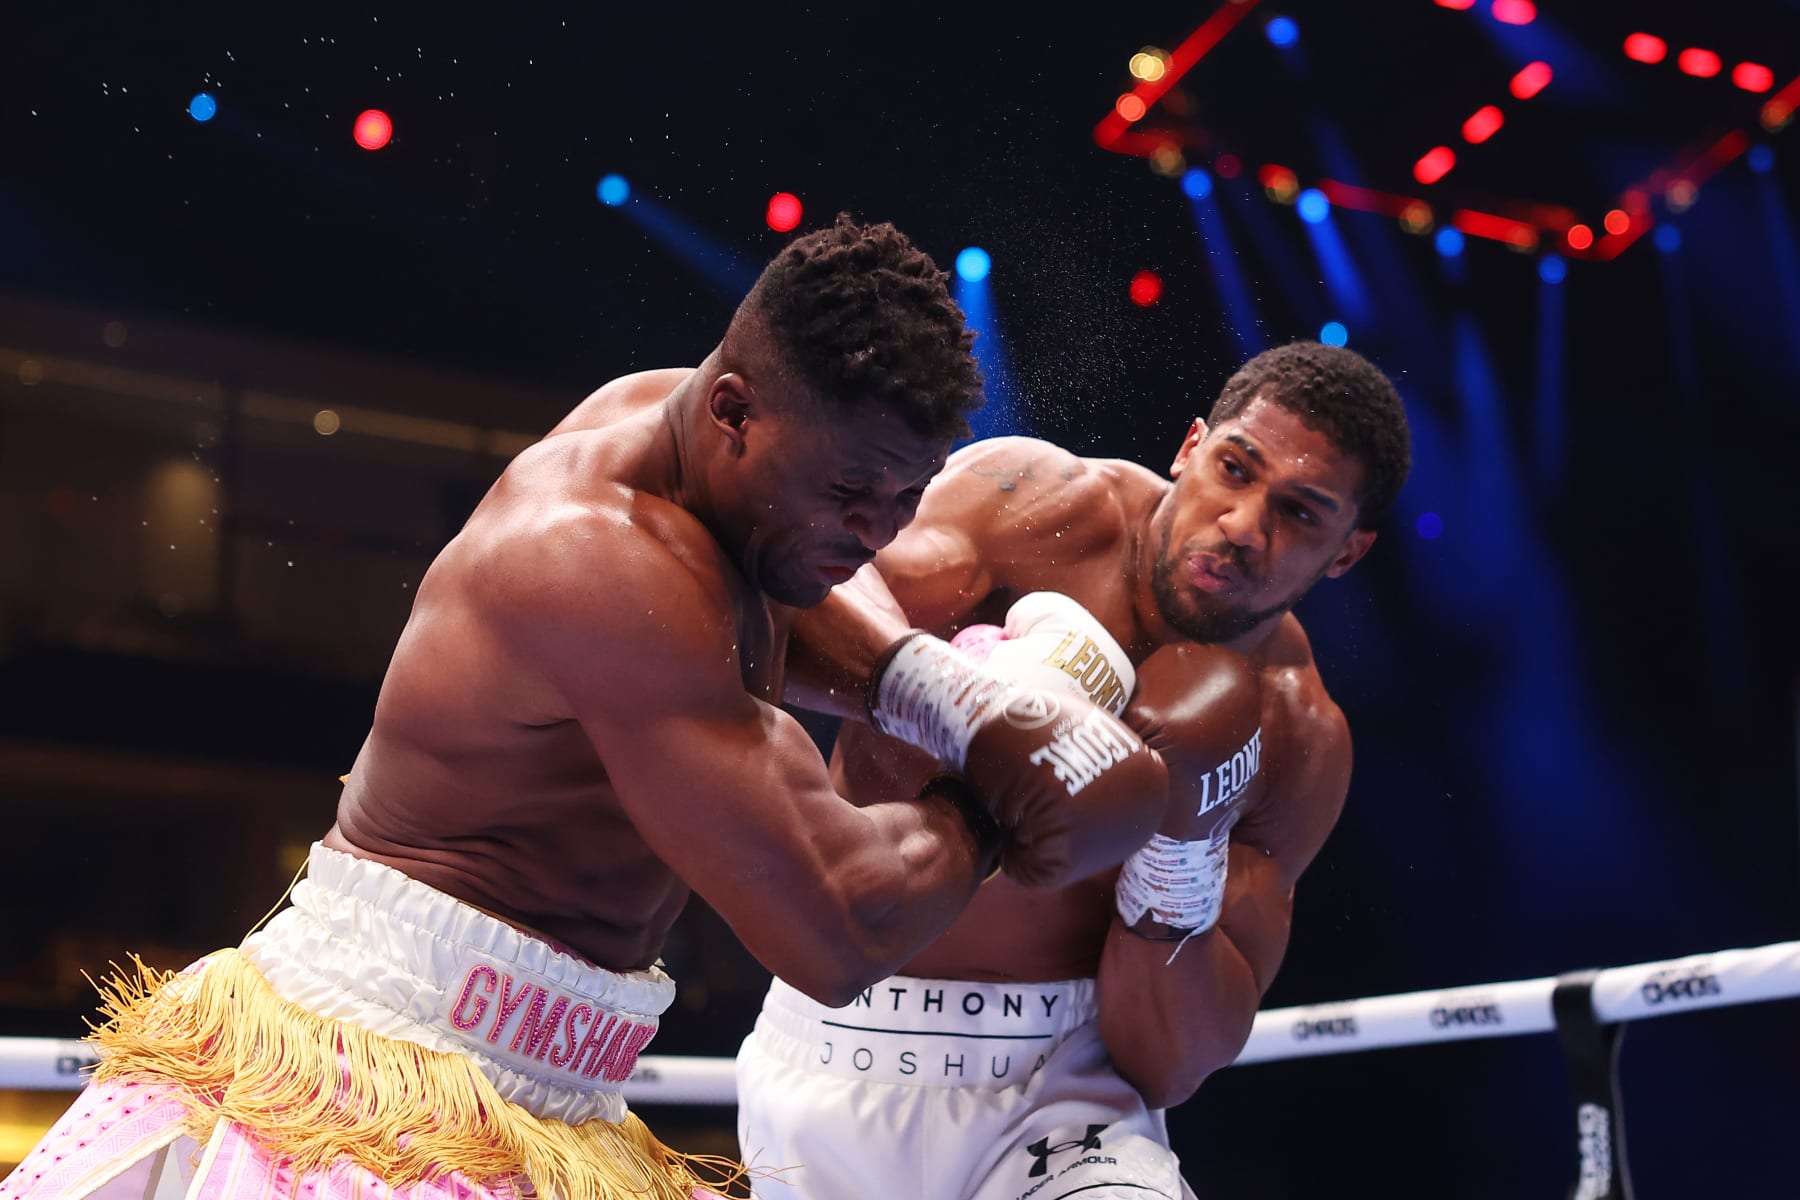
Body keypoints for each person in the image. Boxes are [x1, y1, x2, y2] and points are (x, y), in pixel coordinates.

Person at [0, 216, 1168, 1200]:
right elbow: (834, 928)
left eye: (905, 498)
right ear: (732, 412)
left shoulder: (691, 450)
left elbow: (798, 596)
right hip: (378, 1080)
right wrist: (995, 801)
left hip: (555, 1096)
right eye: (850, 492)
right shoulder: (604, 565)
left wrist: (942, 691)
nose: (878, 535)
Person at [737, 340, 1413, 1199]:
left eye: (1302, 512)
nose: (1244, 525)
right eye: (1234, 469)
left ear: (1348, 552)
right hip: (833, 1040)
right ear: (1190, 447)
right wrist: (961, 703)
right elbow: (791, 604)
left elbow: (1171, 1065)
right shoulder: (1038, 506)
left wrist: (1183, 848)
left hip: (1065, 1099)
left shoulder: (1295, 731)